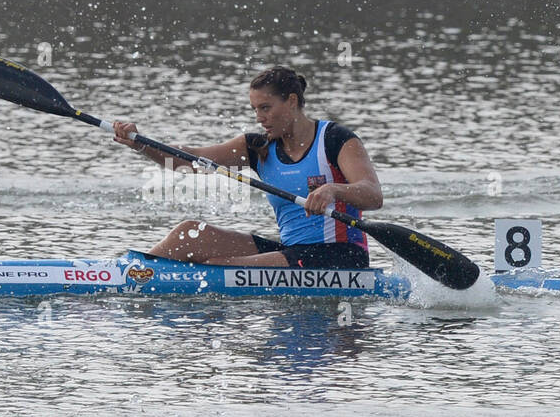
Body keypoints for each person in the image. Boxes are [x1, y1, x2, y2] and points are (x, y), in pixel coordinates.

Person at [112, 65, 382, 268]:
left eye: (265, 108)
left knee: (218, 265)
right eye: (255, 109)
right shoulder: (257, 146)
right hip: (291, 250)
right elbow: (192, 162)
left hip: (340, 256)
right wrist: (141, 144)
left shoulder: (335, 139)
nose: (259, 118)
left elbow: (372, 195)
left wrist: (334, 190)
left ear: (291, 101)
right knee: (189, 235)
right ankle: (132, 275)